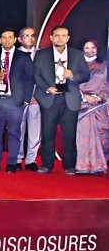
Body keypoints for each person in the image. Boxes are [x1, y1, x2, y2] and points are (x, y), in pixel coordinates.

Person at [33, 26, 89, 175]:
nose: (60, 38)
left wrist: (73, 76)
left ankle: (69, 166)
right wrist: (47, 88)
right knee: (47, 133)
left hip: (69, 98)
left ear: (68, 38)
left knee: (69, 134)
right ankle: (46, 164)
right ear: (51, 38)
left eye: (63, 35)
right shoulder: (41, 55)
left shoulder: (77, 55)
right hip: (50, 98)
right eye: (57, 35)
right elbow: (36, 76)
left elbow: (85, 75)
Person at [0, 29, 35, 173]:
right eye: (4, 38)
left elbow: (29, 79)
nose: (7, 40)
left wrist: (26, 100)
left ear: (15, 40)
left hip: (16, 102)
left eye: (10, 37)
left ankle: (12, 163)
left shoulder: (24, 57)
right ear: (0, 40)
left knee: (15, 133)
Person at [75, 40, 108, 175]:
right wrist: (85, 96)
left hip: (100, 106)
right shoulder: (76, 66)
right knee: (82, 135)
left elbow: (106, 84)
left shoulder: (104, 66)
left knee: (101, 135)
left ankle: (99, 165)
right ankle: (83, 166)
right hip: (82, 104)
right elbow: (72, 84)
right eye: (87, 48)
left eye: (93, 47)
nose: (90, 50)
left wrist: (99, 97)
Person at [16, 27, 41, 171]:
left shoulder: (42, 55)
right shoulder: (14, 55)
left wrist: (36, 95)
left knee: (35, 130)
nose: (30, 38)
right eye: (26, 36)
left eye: (32, 35)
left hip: (37, 97)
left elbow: (45, 76)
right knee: (18, 129)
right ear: (20, 39)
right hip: (19, 98)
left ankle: (31, 160)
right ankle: (18, 158)